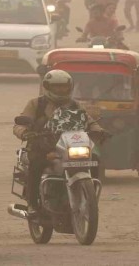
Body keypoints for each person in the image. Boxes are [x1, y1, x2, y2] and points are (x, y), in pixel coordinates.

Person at [13, 70, 105, 212]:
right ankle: (32, 204)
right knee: (37, 164)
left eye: (64, 86)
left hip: (69, 145)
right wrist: (25, 132)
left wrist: (99, 130)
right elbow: (20, 124)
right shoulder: (36, 104)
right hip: (42, 146)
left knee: (95, 159)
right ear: (48, 87)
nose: (61, 90)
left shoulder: (75, 105)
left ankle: (89, 196)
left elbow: (89, 121)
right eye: (57, 86)